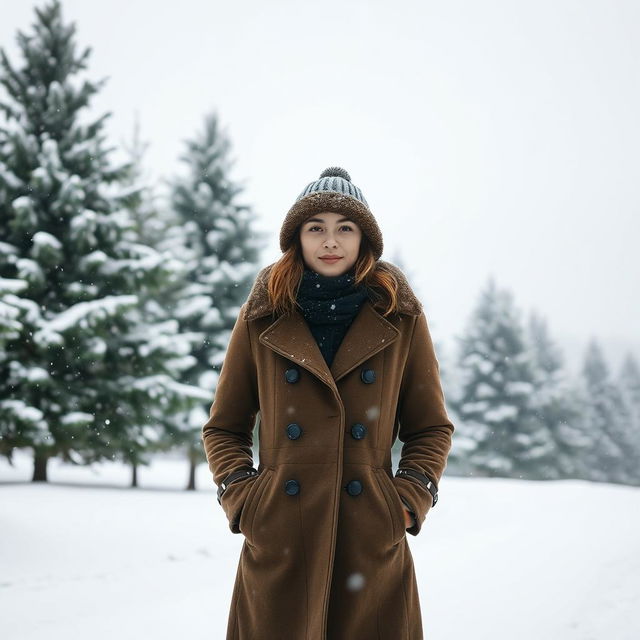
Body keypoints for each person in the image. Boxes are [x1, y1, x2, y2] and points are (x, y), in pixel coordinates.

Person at [201, 166, 455, 640]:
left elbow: (430, 427)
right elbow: (225, 427)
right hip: (282, 539)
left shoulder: (399, 316)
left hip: (369, 541)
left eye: (345, 228)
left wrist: (405, 501)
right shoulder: (263, 314)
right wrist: (244, 498)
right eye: (315, 228)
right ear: (297, 238)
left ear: (365, 240)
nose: (330, 241)